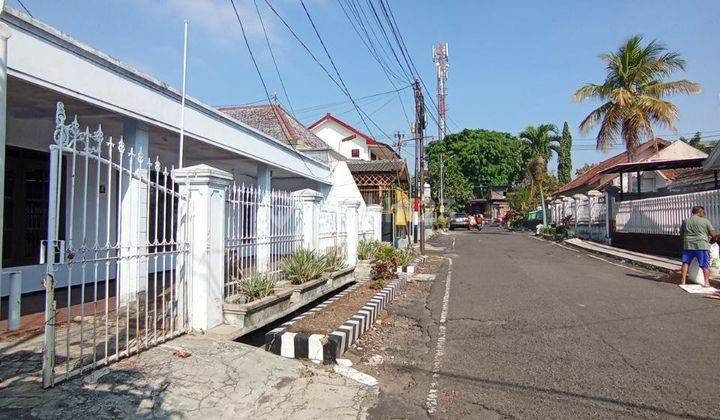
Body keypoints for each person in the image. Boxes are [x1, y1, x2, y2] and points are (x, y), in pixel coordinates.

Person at [680, 205, 719, 287]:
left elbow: (682, 234)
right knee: (705, 264)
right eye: (703, 212)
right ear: (699, 212)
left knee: (686, 262)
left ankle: (683, 281)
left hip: (688, 245)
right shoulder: (705, 221)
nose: (704, 214)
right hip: (701, 245)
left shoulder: (685, 221)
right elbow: (713, 234)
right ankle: (707, 283)